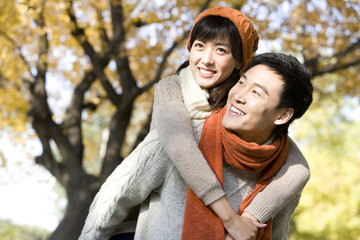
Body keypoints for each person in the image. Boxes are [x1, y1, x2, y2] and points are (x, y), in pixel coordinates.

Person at [79, 7, 310, 240]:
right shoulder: (174, 89)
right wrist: (231, 220)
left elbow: (296, 169)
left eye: (221, 49)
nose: (207, 59)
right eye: (199, 45)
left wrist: (252, 217)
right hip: (141, 220)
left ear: (240, 60)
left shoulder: (240, 108)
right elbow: (180, 147)